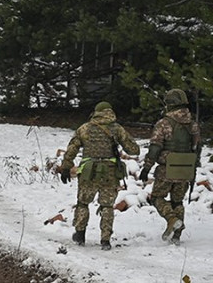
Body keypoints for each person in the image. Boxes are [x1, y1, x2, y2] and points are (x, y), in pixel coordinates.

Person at [59, 101, 140, 250]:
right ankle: (105, 240)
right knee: (107, 206)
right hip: (110, 172)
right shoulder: (117, 129)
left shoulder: (85, 128)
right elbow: (134, 150)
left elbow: (72, 149)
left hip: (88, 172)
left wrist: (65, 167)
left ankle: (80, 234)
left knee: (83, 203)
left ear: (96, 112)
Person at [139, 89, 202, 246]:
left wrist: (146, 167)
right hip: (186, 168)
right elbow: (197, 146)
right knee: (177, 201)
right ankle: (177, 235)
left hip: (167, 168)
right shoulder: (193, 124)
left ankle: (172, 219)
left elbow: (155, 148)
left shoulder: (164, 124)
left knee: (157, 197)